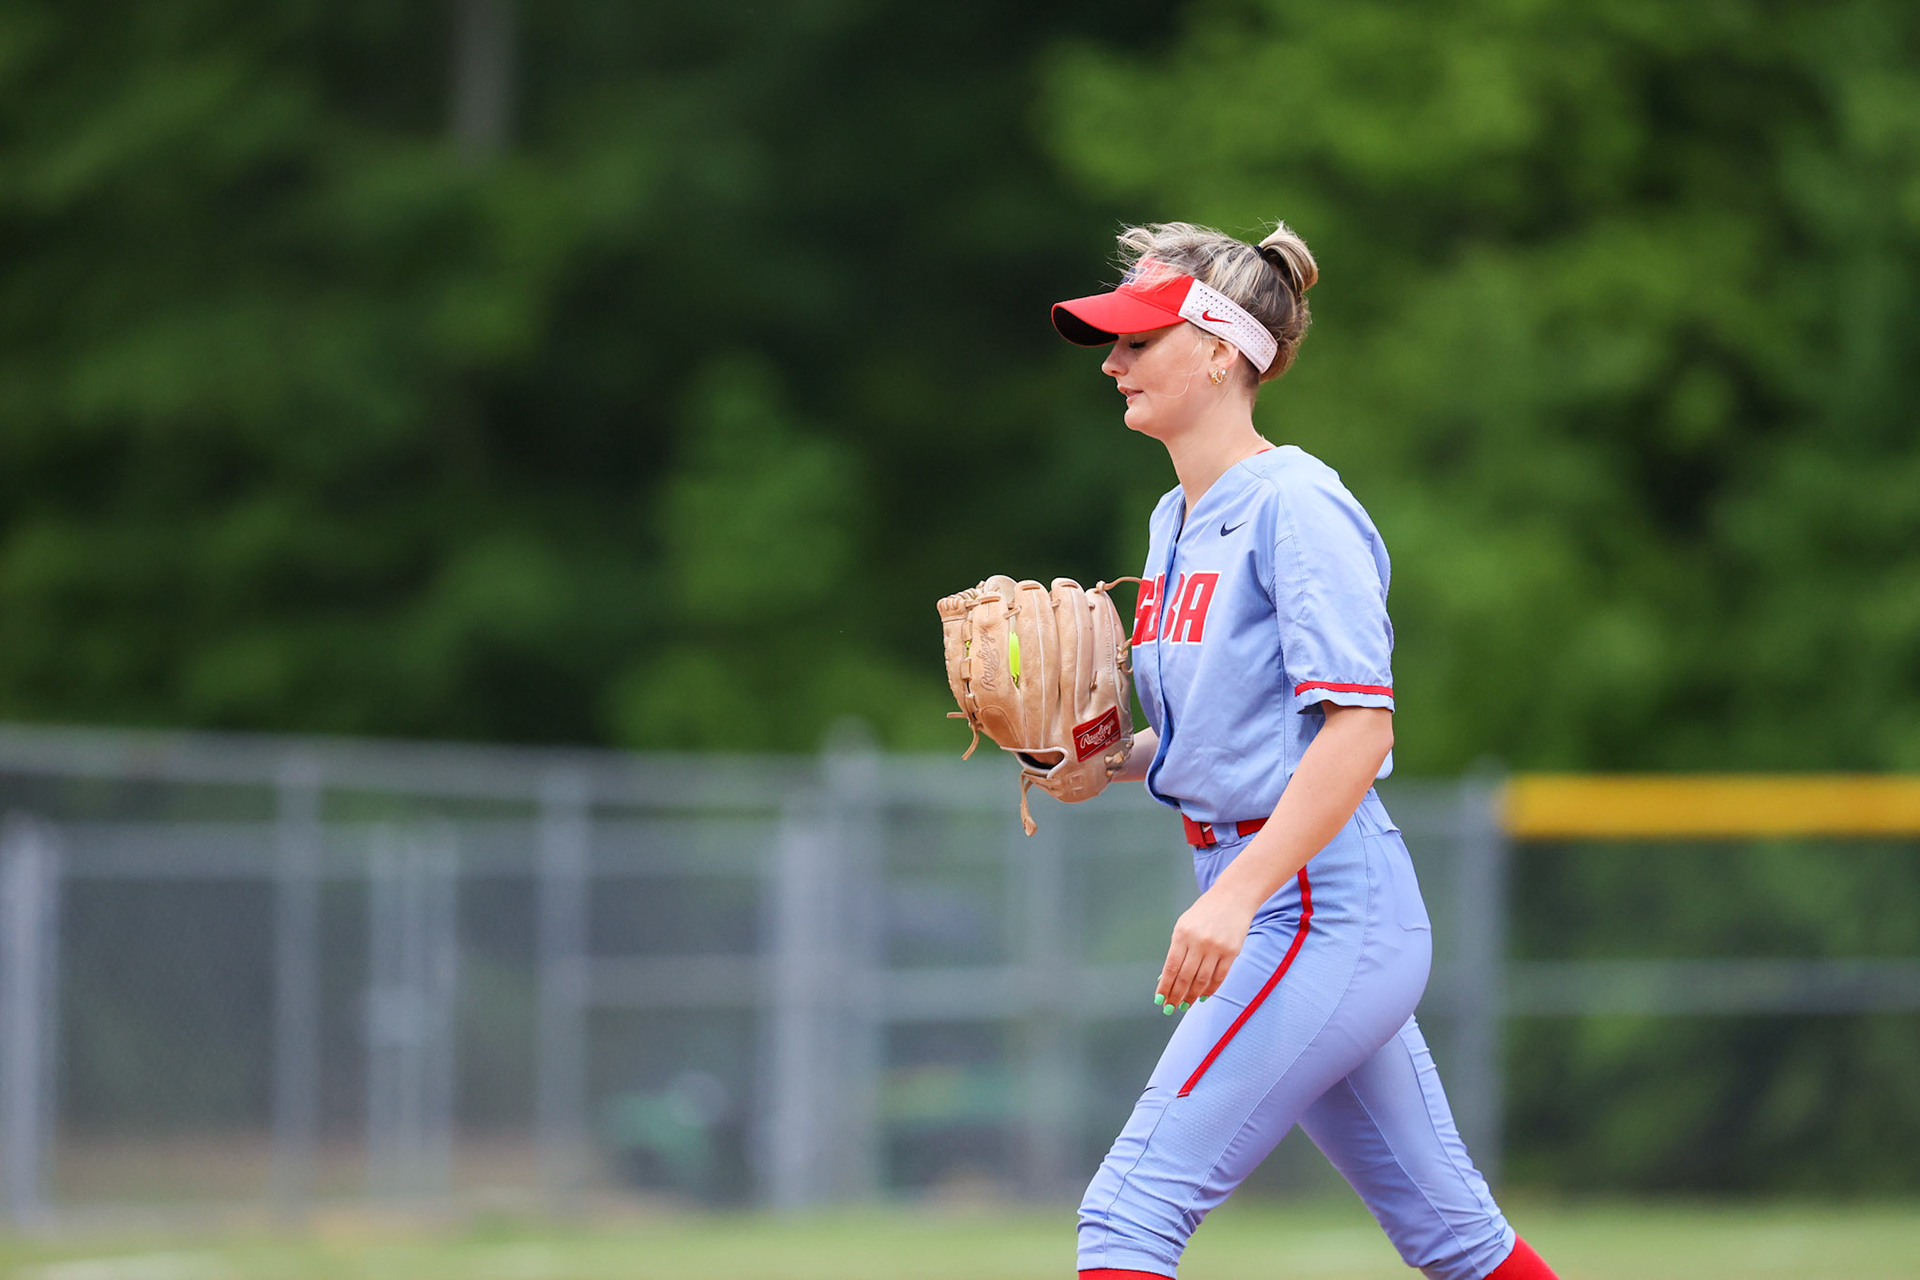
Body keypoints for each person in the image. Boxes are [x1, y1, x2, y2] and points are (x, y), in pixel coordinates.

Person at [1049, 222, 1558, 1280]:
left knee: (1128, 1211)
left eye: (1140, 341)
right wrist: (1113, 755)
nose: (1113, 362)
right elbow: (1237, 723)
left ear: (1223, 350)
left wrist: (1239, 894)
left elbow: (1359, 726)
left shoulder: (1298, 505)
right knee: (1456, 1237)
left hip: (1318, 902)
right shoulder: (1174, 517)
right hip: (1287, 895)